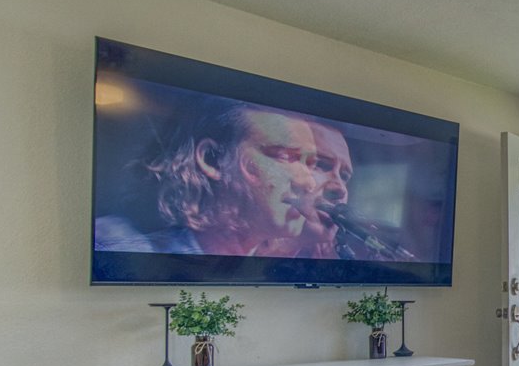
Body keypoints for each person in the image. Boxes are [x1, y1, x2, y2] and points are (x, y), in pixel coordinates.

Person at [95, 99, 359, 258]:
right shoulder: (116, 246)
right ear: (212, 159)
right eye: (285, 157)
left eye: (310, 164)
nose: (308, 182)